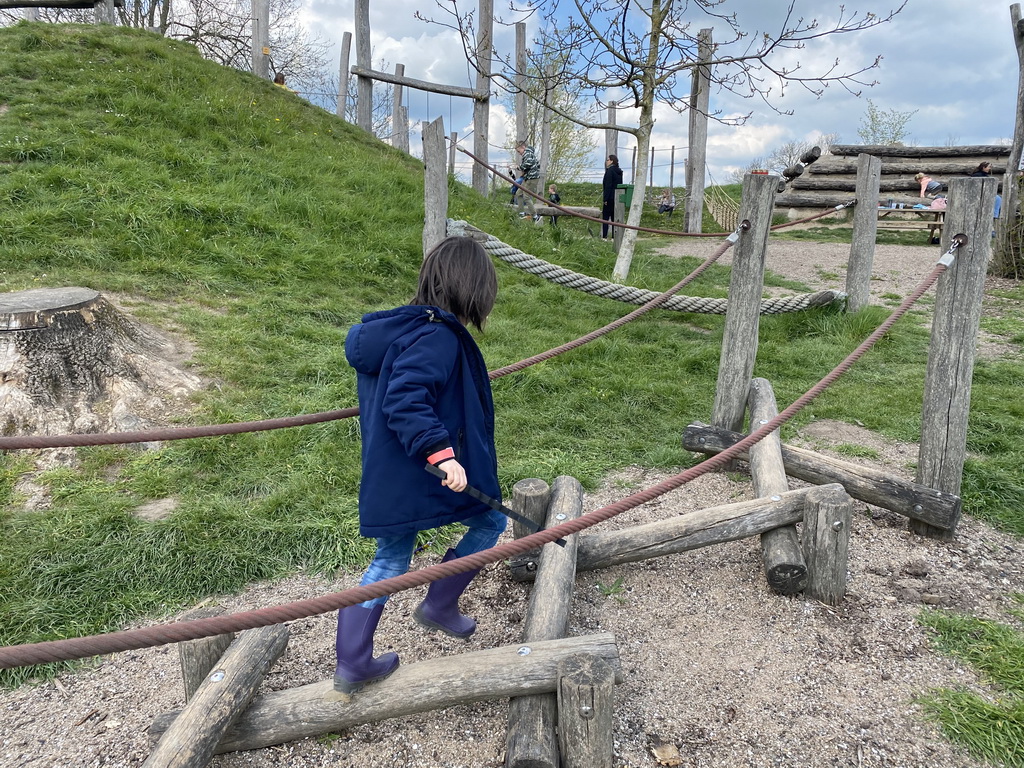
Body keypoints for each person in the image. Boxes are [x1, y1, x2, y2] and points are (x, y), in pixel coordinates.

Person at [335, 236, 506, 694]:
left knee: (391, 557)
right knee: (490, 521)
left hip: (392, 476)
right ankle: (439, 605)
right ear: (472, 288)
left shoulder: (401, 330)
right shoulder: (436, 335)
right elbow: (407, 397)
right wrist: (443, 453)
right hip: (426, 469)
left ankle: (353, 661)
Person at [514, 139, 541, 221]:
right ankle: (521, 212)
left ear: (523, 147)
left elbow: (527, 165)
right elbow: (537, 165)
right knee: (519, 193)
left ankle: (535, 216)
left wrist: (518, 167)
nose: (519, 153)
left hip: (532, 179)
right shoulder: (530, 154)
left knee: (526, 197)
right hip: (528, 177)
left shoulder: (527, 154)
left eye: (519, 151)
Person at [601, 154, 623, 238]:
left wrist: (605, 199)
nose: (606, 162)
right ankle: (615, 236)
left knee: (605, 218)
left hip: (609, 197)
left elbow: (608, 185)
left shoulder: (609, 171)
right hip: (617, 197)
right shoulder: (619, 171)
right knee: (615, 217)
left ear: (611, 161)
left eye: (607, 160)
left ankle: (605, 236)